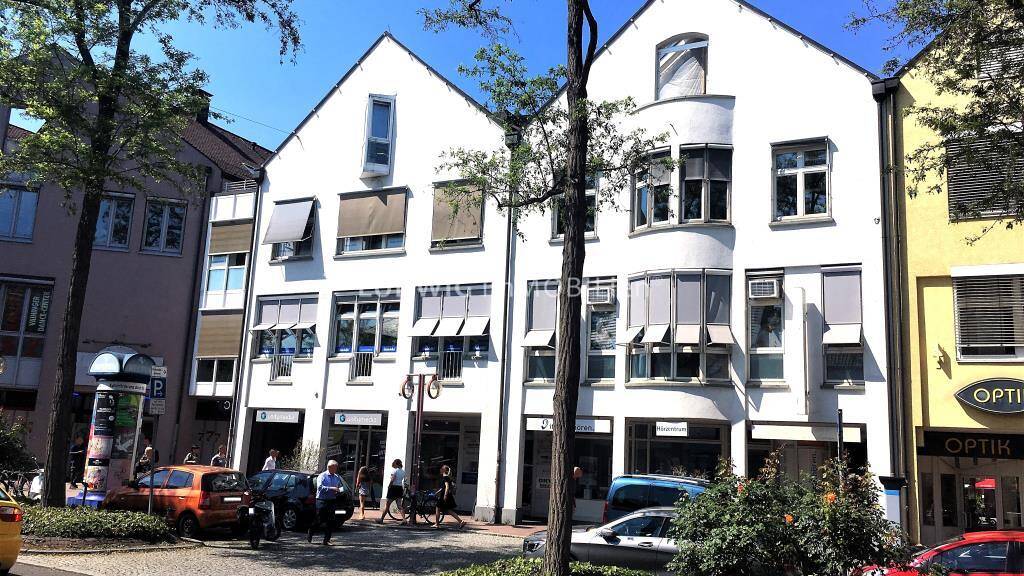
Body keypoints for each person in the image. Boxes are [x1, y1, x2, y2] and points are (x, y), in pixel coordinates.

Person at [307, 460, 344, 545]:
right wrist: (331, 488)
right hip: (322, 500)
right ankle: (311, 531)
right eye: (335, 467)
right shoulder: (322, 476)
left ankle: (326, 540)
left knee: (331, 520)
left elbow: (341, 488)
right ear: (330, 467)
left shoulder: (336, 477)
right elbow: (320, 487)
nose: (336, 469)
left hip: (332, 500)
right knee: (319, 519)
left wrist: (339, 490)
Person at [433, 465, 465, 529]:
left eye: (441, 468)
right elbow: (443, 488)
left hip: (445, 495)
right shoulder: (446, 477)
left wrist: (445, 496)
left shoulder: (445, 478)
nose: (440, 469)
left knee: (438, 508)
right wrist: (437, 492)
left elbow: (447, 487)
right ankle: (461, 521)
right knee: (448, 510)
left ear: (444, 470)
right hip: (446, 495)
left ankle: (437, 524)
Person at [377, 459, 405, 524]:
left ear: (396, 464)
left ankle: (381, 519)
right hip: (400, 488)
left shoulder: (395, 471)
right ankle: (404, 519)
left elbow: (392, 479)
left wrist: (389, 486)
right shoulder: (403, 471)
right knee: (399, 505)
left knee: (387, 505)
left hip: (393, 488)